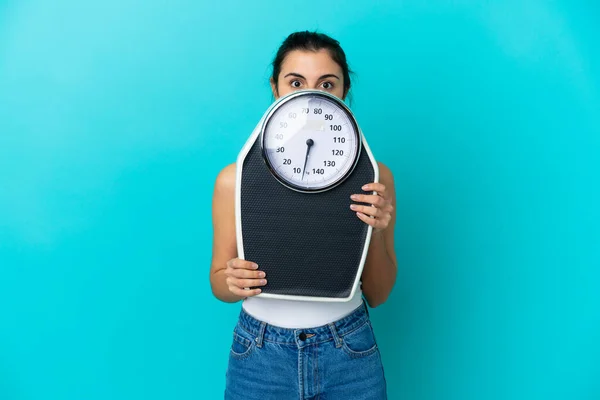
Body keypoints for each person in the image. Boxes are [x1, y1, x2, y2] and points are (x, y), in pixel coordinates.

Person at [210, 31, 397, 400]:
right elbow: (218, 283)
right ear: (275, 89)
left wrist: (375, 229)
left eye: (327, 84)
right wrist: (231, 280)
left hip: (349, 350)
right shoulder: (235, 179)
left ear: (344, 91)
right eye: (296, 82)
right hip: (260, 352)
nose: (311, 95)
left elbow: (379, 293)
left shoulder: (376, 177)